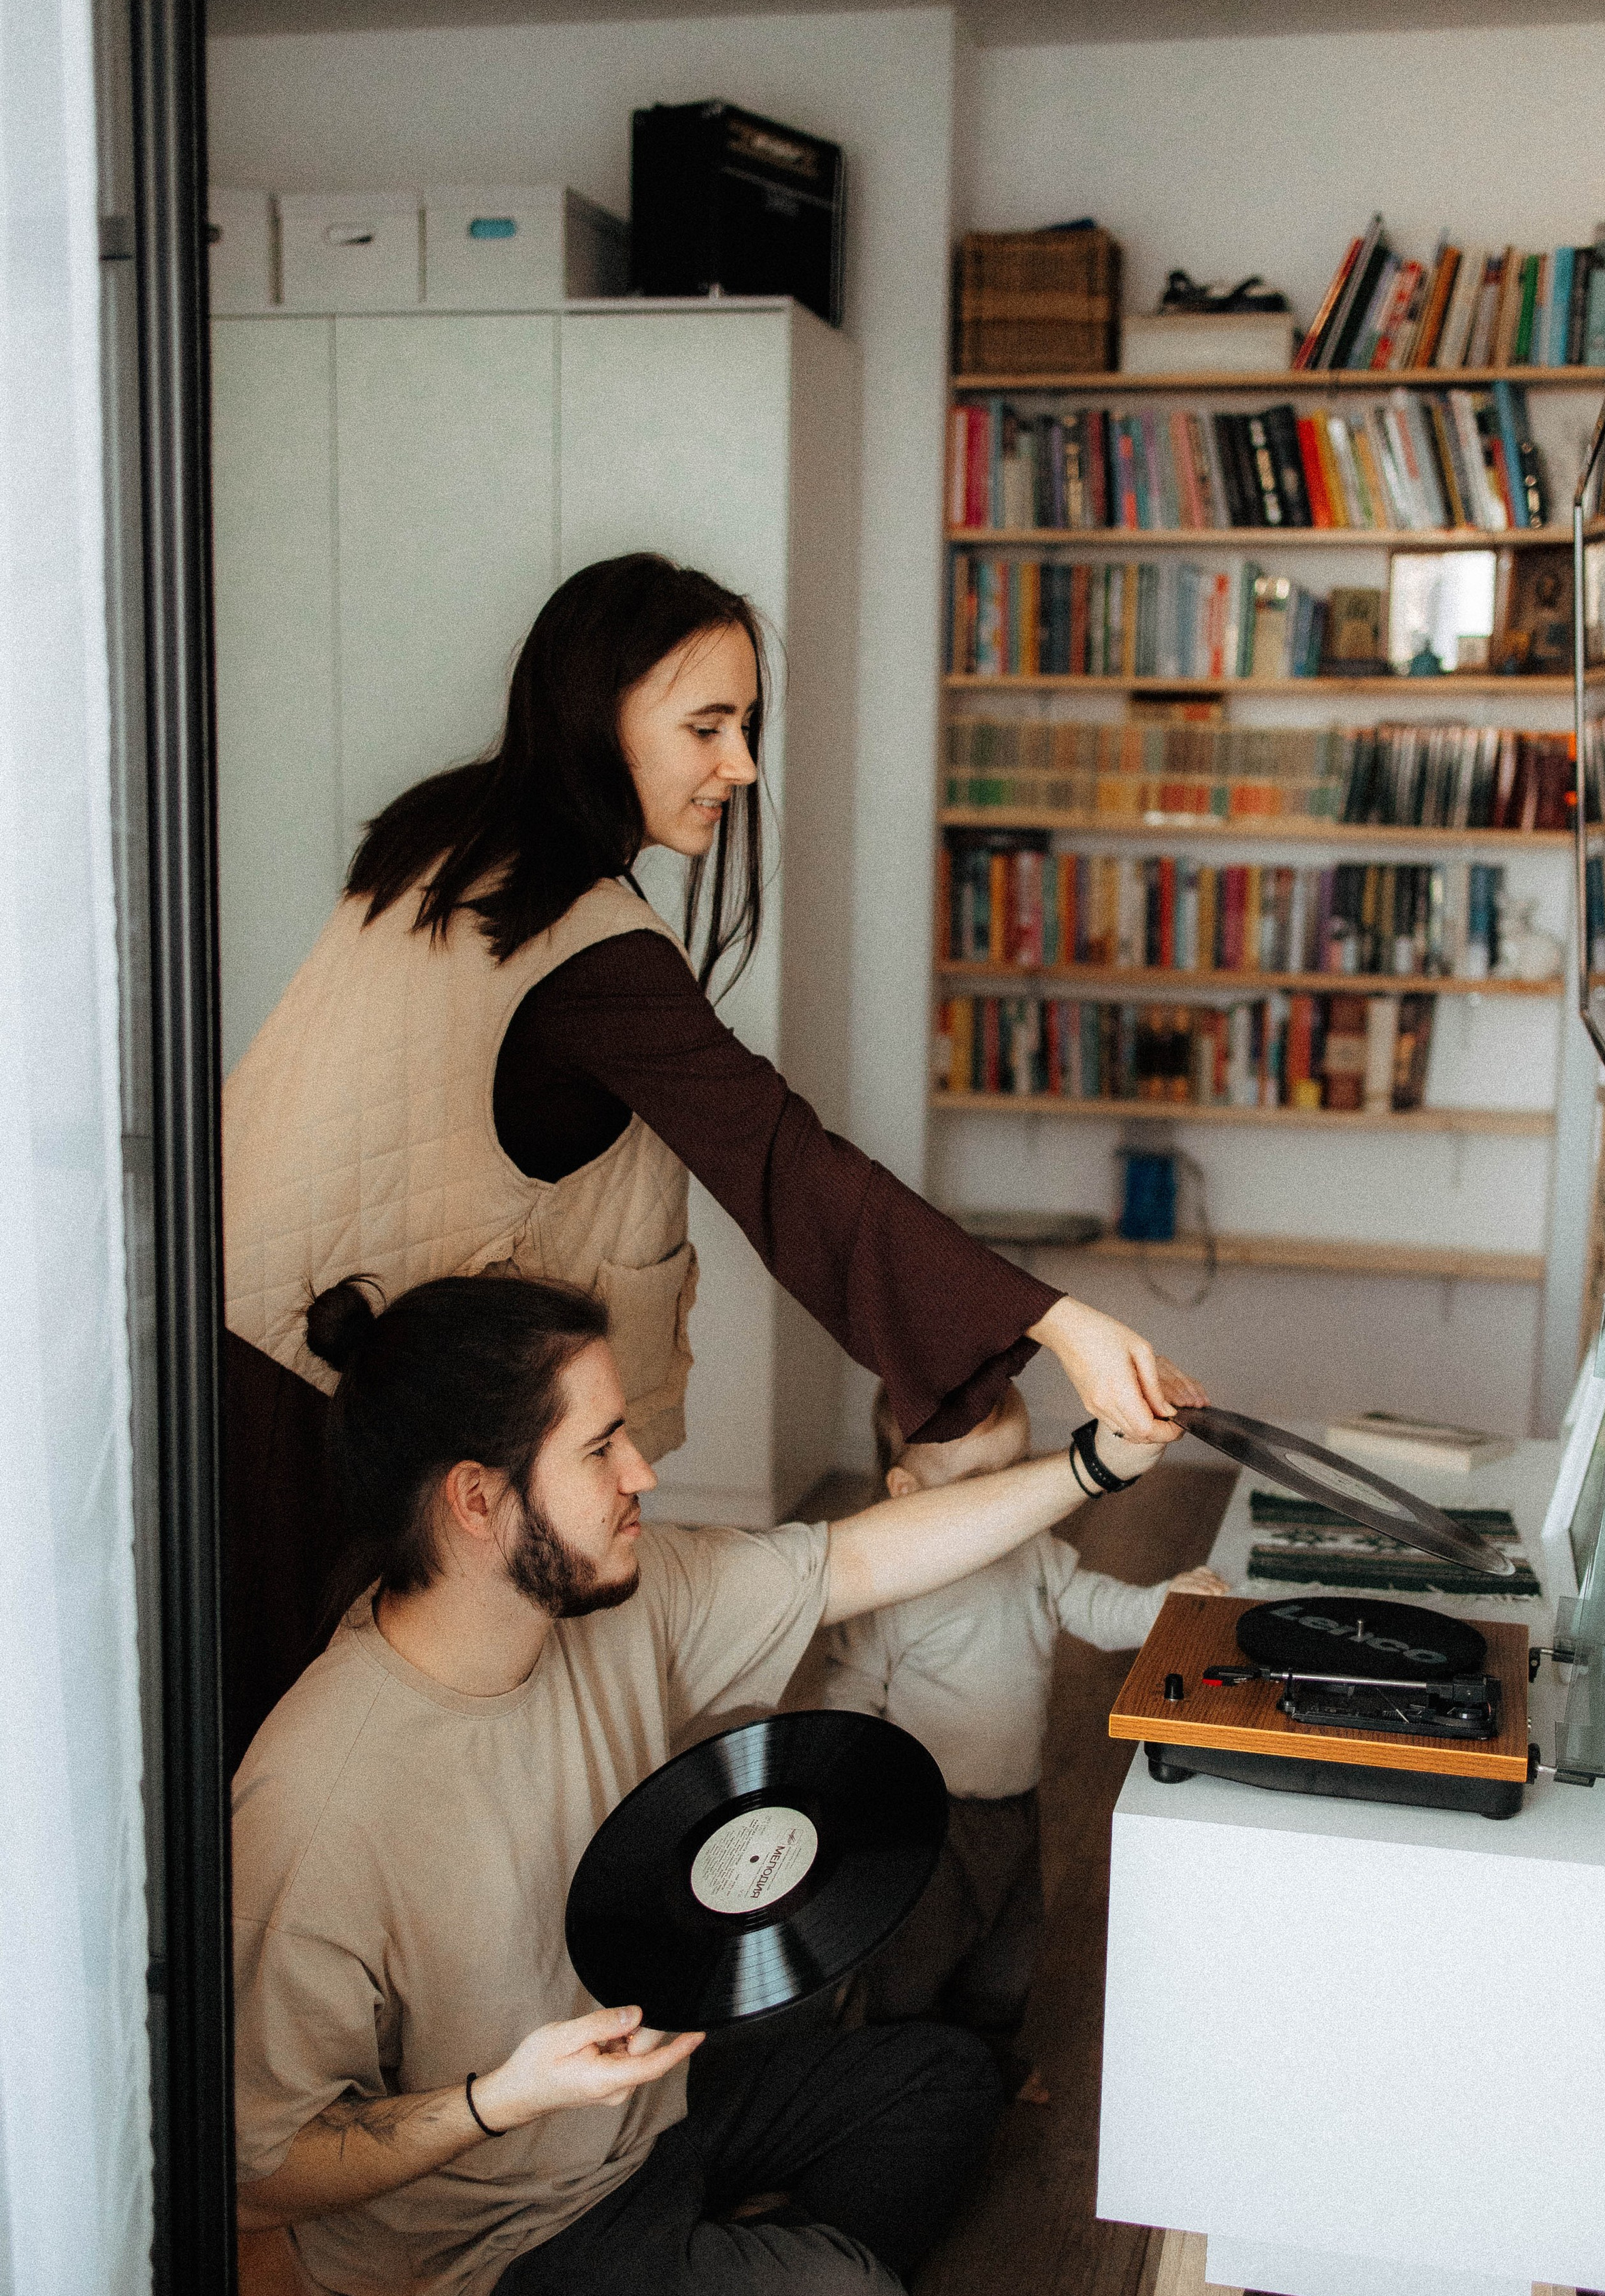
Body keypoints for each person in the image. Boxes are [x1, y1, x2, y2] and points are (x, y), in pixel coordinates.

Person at [231, 1271, 1178, 2296]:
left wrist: (1093, 1467)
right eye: (602, 1447)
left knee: (953, 2079)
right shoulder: (316, 1801)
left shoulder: (606, 1605)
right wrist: (504, 2099)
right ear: (474, 1499)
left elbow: (852, 1557)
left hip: (644, 2113)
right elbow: (270, 2165)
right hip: (477, 2269)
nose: (646, 1475)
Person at [223, 553, 1205, 1767]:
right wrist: (1058, 1322)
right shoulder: (593, 947)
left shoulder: (446, 839)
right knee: (332, 1773)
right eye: (706, 726)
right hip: (325, 1421)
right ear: (598, 712)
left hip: (244, 1354)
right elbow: (786, 1165)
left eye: (745, 726)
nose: (741, 766)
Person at [819, 1383, 1227, 2100]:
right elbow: (848, 1697)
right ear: (905, 1491)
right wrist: (854, 1800)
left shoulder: (1031, 1553)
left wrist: (1168, 1606)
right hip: (923, 1820)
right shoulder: (888, 1584)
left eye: (1019, 1469)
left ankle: (983, 2063)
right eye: (982, 1482)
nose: (1009, 1495)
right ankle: (886, 2078)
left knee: (1007, 1956)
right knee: (911, 1964)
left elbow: (1100, 1610)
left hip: (1014, 1803)